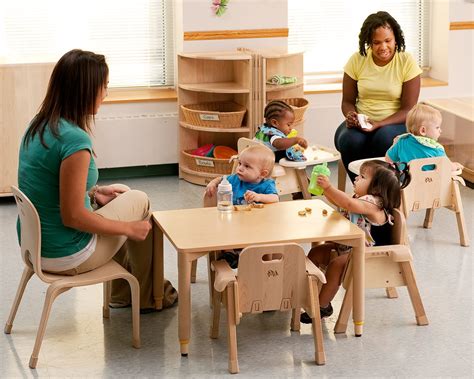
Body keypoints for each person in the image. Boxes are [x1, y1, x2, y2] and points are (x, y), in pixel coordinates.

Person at [17, 49, 176, 313]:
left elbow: (50, 188)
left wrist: (93, 194)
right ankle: (151, 296)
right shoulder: (75, 141)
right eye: (104, 87)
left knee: (122, 193)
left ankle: (125, 292)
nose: (105, 94)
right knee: (139, 200)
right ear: (86, 90)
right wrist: (128, 229)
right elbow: (73, 217)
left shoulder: (39, 125)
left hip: (35, 246)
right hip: (65, 255)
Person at [300, 160, 410, 323]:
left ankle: (323, 305)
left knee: (337, 264)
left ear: (377, 188)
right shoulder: (363, 199)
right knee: (316, 252)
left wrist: (328, 188)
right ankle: (311, 293)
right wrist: (325, 190)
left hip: (371, 257)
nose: (356, 179)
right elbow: (341, 202)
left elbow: (348, 203)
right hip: (352, 250)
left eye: (362, 177)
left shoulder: (374, 204)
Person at [334, 11, 422, 182]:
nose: (383, 47)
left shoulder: (406, 61)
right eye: (377, 42)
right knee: (349, 140)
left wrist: (379, 124)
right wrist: (351, 116)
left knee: (383, 139)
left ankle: (381, 191)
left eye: (388, 41)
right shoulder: (357, 59)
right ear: (369, 42)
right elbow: (347, 101)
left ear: (396, 39)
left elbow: (409, 109)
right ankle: (359, 189)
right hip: (362, 122)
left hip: (396, 122)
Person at [204, 144, 279, 267]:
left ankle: (250, 255)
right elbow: (221, 179)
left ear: (262, 173)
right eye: (240, 163)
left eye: (247, 166)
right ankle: (230, 254)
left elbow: (275, 198)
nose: (240, 168)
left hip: (257, 226)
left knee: (262, 238)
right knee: (223, 232)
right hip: (234, 223)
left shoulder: (267, 185)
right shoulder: (235, 179)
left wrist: (259, 197)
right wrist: (213, 183)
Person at [386, 103, 464, 172]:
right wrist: (455, 166)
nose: (440, 131)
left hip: (407, 183)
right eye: (437, 127)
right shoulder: (436, 149)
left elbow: (389, 159)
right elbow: (447, 167)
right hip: (430, 184)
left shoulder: (401, 142)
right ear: (423, 130)